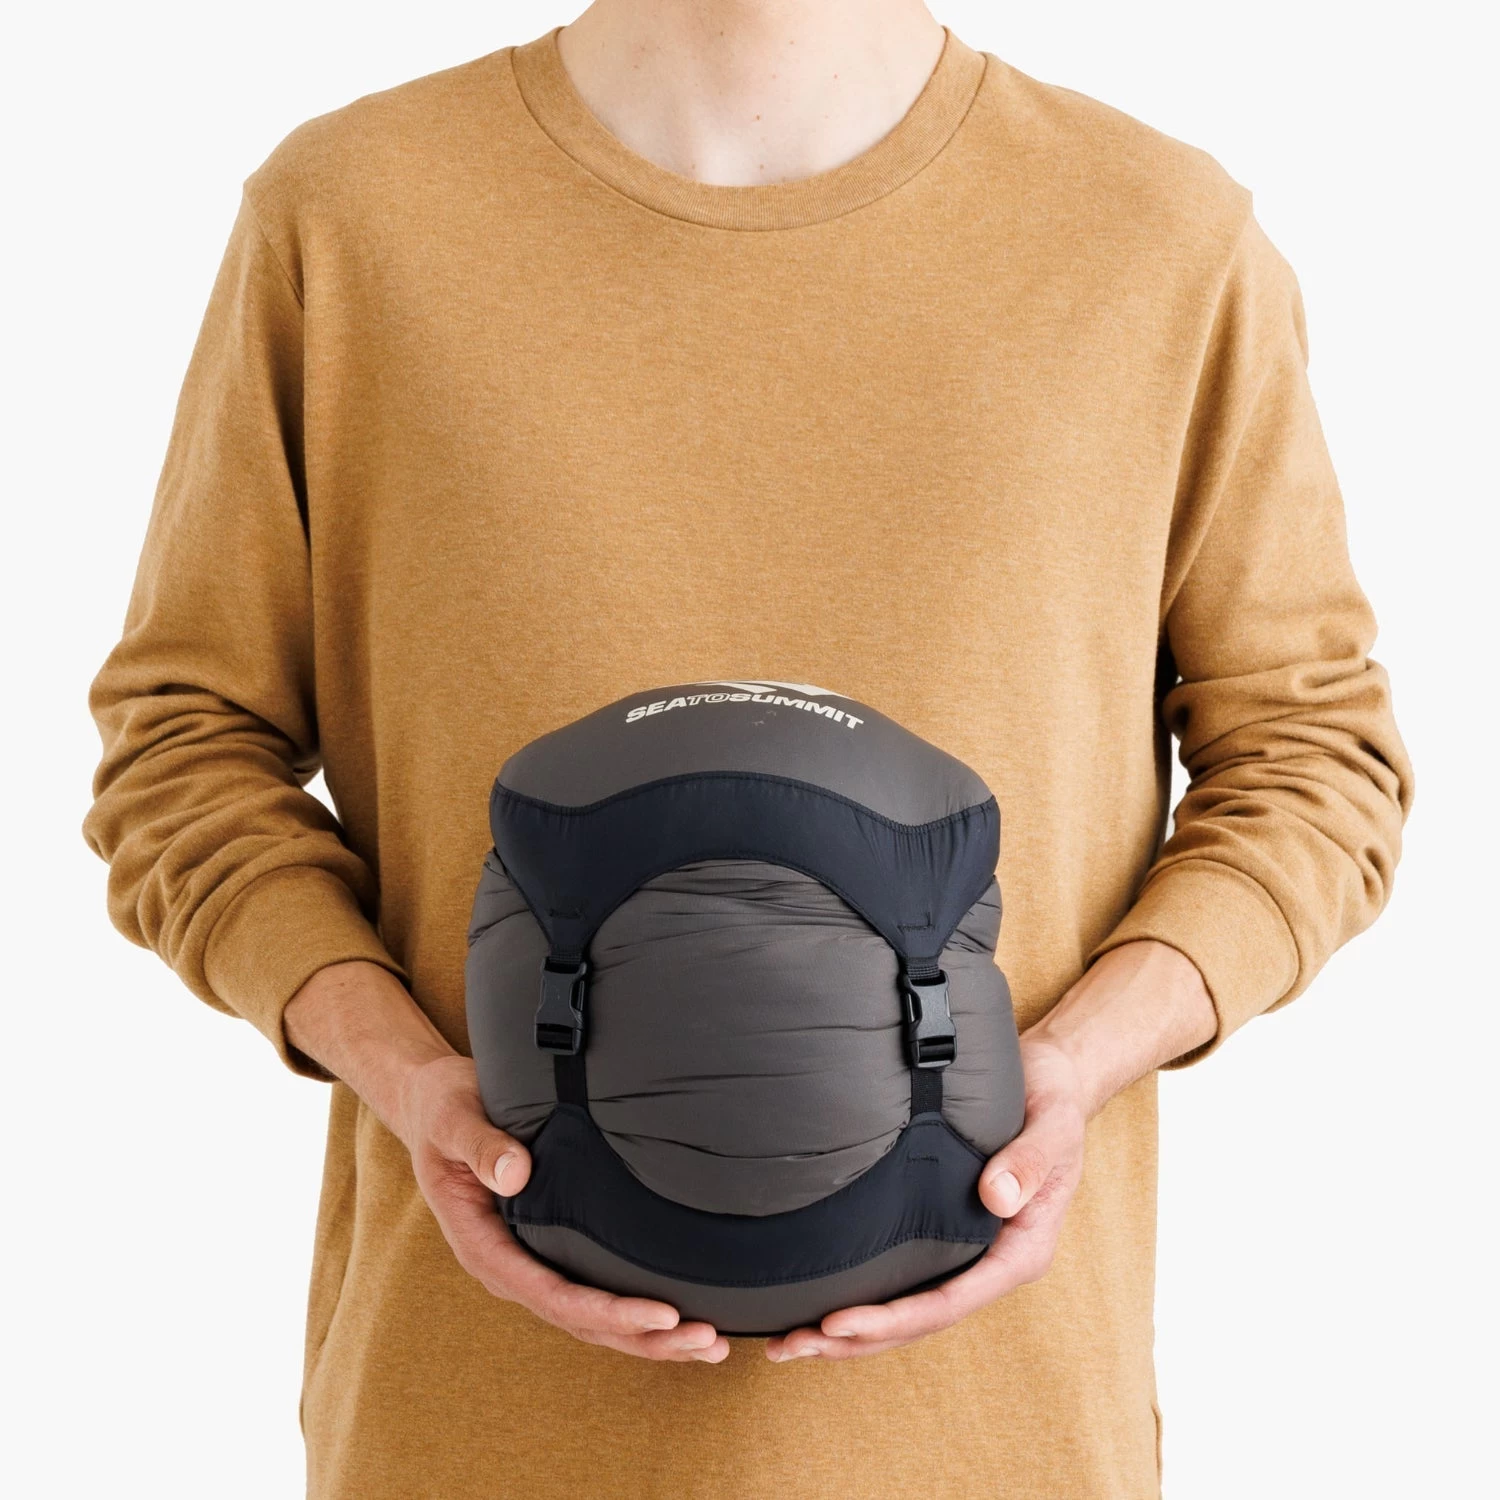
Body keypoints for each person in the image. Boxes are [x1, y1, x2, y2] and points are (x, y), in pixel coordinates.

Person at [83, 1, 1413, 1495]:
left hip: (993, 1442)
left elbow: (1312, 757)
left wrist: (1075, 1067)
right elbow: (186, 745)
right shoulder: (350, 219)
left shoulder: (1156, 237)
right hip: (468, 1431)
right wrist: (401, 1073)